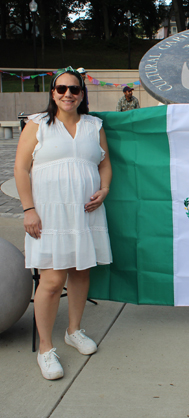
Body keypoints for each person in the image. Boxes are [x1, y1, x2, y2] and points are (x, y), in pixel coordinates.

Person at [14, 68, 113, 380]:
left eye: (74, 89)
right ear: (52, 93)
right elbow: (20, 168)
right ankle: (46, 348)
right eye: (61, 89)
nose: (68, 94)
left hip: (85, 211)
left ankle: (74, 330)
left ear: (82, 94)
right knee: (53, 281)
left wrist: (105, 189)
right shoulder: (37, 124)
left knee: (81, 271)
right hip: (50, 213)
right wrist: (29, 209)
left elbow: (104, 163)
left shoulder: (94, 125)